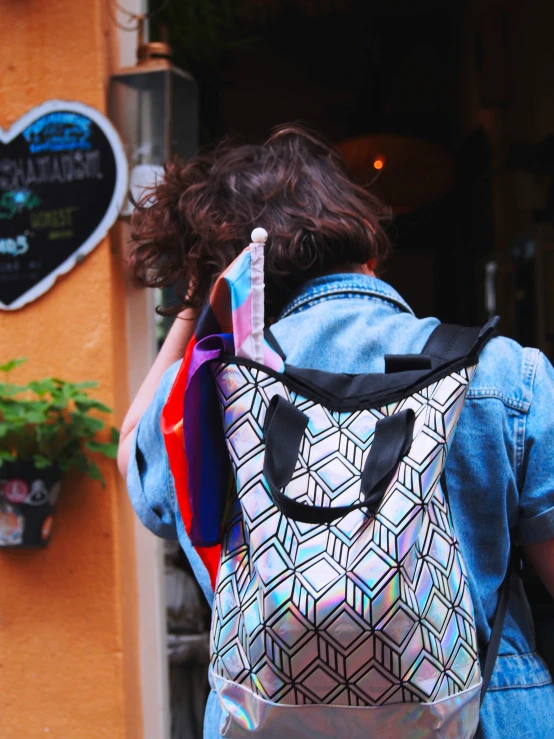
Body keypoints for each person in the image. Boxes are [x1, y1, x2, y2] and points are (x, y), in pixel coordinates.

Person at [118, 125, 554, 739]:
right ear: (369, 253)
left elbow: (133, 457)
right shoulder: (507, 372)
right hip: (482, 715)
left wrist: (199, 299)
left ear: (242, 273)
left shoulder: (205, 392)